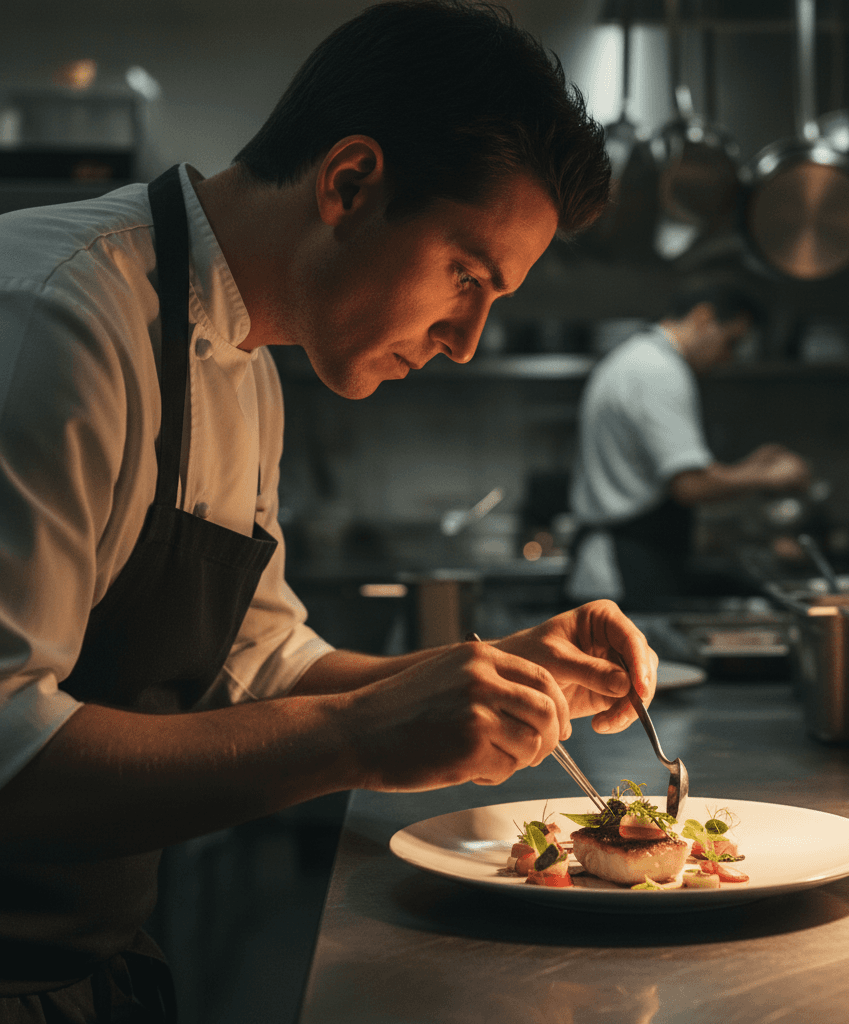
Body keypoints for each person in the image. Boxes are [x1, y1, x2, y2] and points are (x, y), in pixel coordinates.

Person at [0, 3, 659, 1019]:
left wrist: (501, 670)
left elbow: (263, 664)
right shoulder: (59, 316)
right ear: (349, 184)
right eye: (465, 275)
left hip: (88, 964)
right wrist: (357, 737)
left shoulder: (250, 364)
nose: (466, 341)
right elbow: (9, 754)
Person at [567, 286, 813, 611]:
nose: (728, 358)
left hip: (626, 560)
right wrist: (768, 477)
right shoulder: (659, 370)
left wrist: (751, 467)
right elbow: (690, 486)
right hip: (627, 566)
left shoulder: (636, 358)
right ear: (703, 317)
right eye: (731, 342)